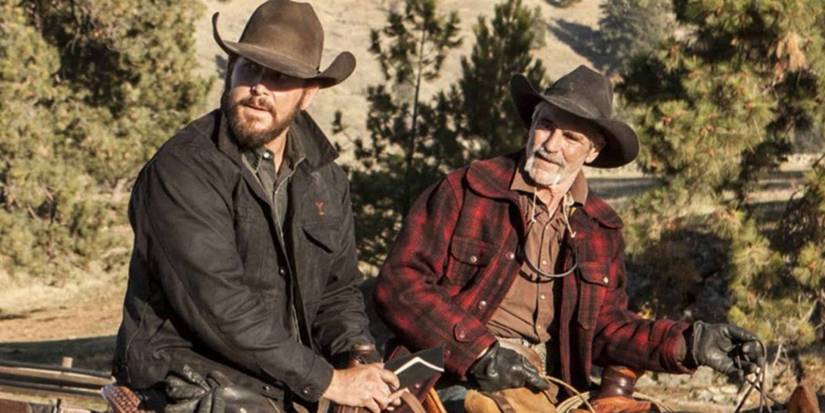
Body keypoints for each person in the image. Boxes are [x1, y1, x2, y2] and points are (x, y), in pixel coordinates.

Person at [374, 65, 764, 412]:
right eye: (545, 125)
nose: (550, 144)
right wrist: (479, 353)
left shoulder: (600, 227)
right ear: (531, 125)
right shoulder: (466, 190)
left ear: (592, 151)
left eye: (571, 137)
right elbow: (400, 284)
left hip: (548, 386)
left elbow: (606, 329)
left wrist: (688, 343)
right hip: (449, 373)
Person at [112, 1, 401, 412]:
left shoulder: (323, 176)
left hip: (280, 382)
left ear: (308, 94)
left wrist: (357, 356)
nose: (260, 88)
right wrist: (329, 381)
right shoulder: (182, 169)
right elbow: (219, 305)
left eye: (280, 77)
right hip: (186, 379)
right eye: (250, 69)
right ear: (231, 70)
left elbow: (338, 291)